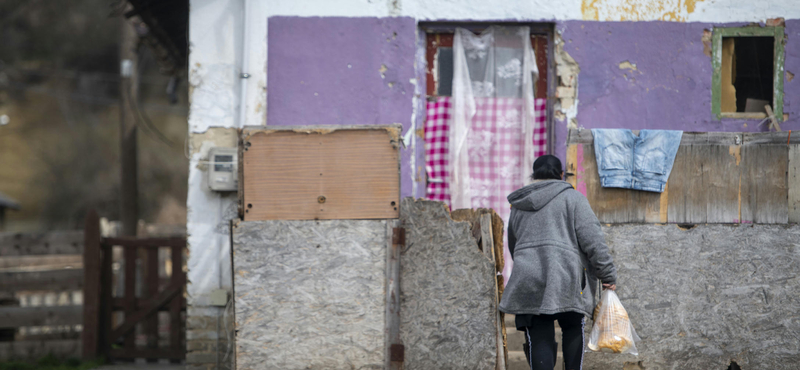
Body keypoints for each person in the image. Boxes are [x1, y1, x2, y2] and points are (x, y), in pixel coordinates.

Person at [499, 155, 617, 370]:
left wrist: (531, 265)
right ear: (561, 174)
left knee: (539, 333)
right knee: (572, 327)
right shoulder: (573, 199)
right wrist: (607, 275)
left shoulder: (518, 205)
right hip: (566, 276)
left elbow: (514, 245)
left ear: (533, 176)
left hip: (528, 277)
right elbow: (593, 241)